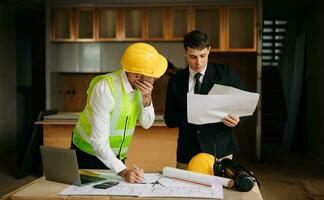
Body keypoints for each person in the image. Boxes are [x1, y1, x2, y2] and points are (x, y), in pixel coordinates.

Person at [71, 43, 167, 183]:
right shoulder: (105, 89)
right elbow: (99, 142)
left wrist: (147, 99)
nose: (154, 80)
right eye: (151, 76)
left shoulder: (140, 88)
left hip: (114, 157)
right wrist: (123, 171)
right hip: (88, 155)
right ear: (136, 75)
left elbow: (146, 123)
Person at [164, 30, 248, 169]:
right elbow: (170, 119)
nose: (198, 62)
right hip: (187, 152)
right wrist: (192, 114)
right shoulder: (176, 80)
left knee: (221, 190)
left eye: (203, 56)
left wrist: (238, 120)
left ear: (209, 50)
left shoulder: (225, 73)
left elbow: (245, 103)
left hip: (220, 150)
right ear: (185, 52)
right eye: (193, 57)